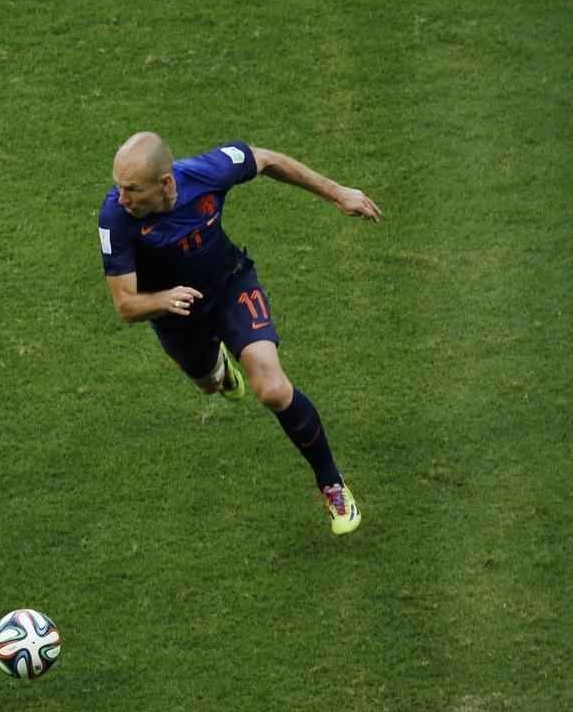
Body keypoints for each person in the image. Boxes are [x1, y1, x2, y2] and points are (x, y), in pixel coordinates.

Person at [98, 132, 382, 535]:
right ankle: (218, 369)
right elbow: (125, 305)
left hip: (231, 287)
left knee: (272, 389)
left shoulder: (206, 173)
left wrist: (337, 193)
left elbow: (265, 159)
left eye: (131, 190)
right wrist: (165, 299)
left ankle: (332, 484)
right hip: (176, 314)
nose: (122, 199)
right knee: (208, 384)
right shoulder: (115, 218)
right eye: (118, 187)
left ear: (165, 183)